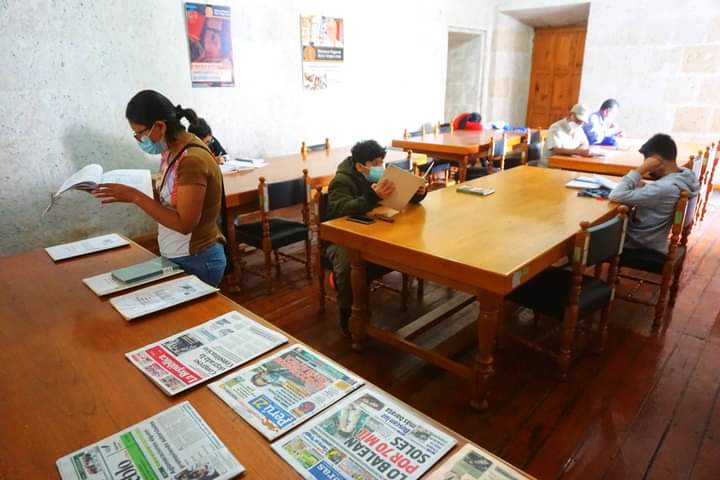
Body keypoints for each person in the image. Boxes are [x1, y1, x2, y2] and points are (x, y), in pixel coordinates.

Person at [92, 90, 227, 287]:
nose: (139, 139)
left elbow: (184, 224)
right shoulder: (171, 151)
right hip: (178, 254)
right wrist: (138, 186)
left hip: (197, 260)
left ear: (160, 126)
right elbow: (168, 200)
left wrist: (135, 197)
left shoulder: (191, 160)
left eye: (140, 133)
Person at [326, 140, 427, 335]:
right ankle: (347, 313)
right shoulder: (342, 181)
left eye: (382, 161)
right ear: (359, 166)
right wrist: (372, 196)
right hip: (342, 236)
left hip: (372, 228)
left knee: (409, 236)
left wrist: (417, 193)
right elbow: (341, 210)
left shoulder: (385, 176)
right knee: (347, 264)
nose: (380, 167)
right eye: (375, 163)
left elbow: (399, 197)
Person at [608, 133, 700, 254]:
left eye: (647, 161)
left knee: (594, 231)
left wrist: (640, 170)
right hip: (655, 237)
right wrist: (647, 188)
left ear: (656, 160)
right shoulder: (687, 175)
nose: (648, 168)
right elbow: (661, 193)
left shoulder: (663, 188)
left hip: (640, 242)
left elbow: (615, 195)